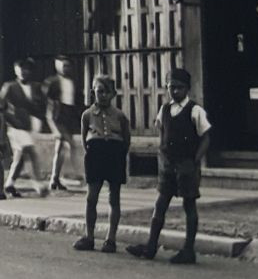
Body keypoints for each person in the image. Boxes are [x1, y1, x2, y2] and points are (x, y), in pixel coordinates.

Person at [128, 68, 211, 264]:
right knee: (160, 203)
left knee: (189, 204)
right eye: (170, 87)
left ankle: (188, 250)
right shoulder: (165, 109)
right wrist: (162, 153)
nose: (174, 91)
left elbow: (205, 138)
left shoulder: (195, 110)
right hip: (167, 165)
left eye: (179, 88)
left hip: (186, 165)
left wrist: (195, 160)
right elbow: (162, 131)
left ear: (187, 88)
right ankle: (151, 245)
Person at [73, 75, 131, 253]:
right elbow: (84, 138)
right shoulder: (87, 115)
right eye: (99, 91)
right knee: (92, 197)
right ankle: (89, 237)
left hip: (114, 154)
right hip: (95, 155)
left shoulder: (120, 116)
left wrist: (119, 154)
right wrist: (92, 151)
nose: (103, 95)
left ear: (113, 94)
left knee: (114, 198)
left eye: (107, 92)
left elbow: (126, 139)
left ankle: (110, 239)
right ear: (93, 93)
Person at [0, 58, 51, 198]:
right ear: (16, 70)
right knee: (30, 151)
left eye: (26, 69)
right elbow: (0, 105)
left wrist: (39, 117)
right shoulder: (9, 86)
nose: (23, 72)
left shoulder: (36, 87)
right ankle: (38, 183)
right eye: (20, 68)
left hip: (31, 125)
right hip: (16, 126)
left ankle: (9, 183)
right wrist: (10, 118)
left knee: (20, 157)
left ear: (31, 71)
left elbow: (42, 105)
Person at [46, 55, 86, 191]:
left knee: (60, 148)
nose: (66, 68)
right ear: (57, 66)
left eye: (68, 66)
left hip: (68, 116)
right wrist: (51, 121)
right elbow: (48, 102)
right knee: (70, 144)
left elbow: (77, 101)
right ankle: (77, 174)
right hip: (57, 116)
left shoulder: (73, 82)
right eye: (63, 65)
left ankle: (54, 179)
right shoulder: (52, 82)